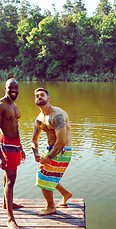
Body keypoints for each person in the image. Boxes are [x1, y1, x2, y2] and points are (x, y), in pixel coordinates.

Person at [0, 78, 25, 229]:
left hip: (15, 143)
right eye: (11, 87)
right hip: (6, 144)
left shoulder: (14, 105)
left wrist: (21, 147)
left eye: (16, 88)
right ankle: (10, 219)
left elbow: (15, 127)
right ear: (5, 88)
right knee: (11, 179)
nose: (14, 90)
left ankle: (6, 203)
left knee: (8, 176)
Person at [31, 87, 73, 216]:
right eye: (37, 95)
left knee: (42, 178)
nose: (39, 97)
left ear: (48, 98)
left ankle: (51, 207)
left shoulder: (57, 116)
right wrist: (36, 154)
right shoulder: (39, 119)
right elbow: (34, 140)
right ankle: (65, 193)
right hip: (50, 149)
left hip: (62, 150)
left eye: (42, 95)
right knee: (47, 174)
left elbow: (61, 142)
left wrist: (47, 159)